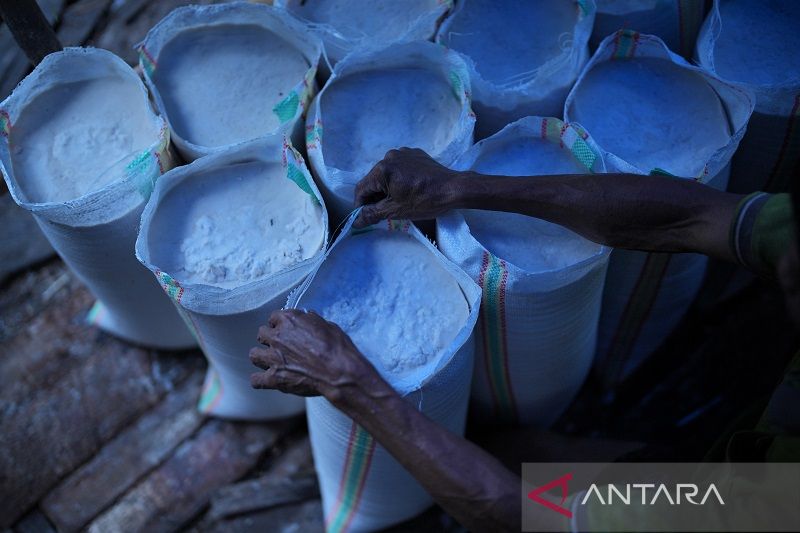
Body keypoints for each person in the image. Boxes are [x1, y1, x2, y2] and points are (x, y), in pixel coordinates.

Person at [249, 148, 798, 532]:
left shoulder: (760, 508)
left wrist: (347, 380)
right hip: (737, 463)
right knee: (531, 454)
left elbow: (526, 518)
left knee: (541, 487)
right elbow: (694, 215)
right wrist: (463, 186)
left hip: (737, 500)